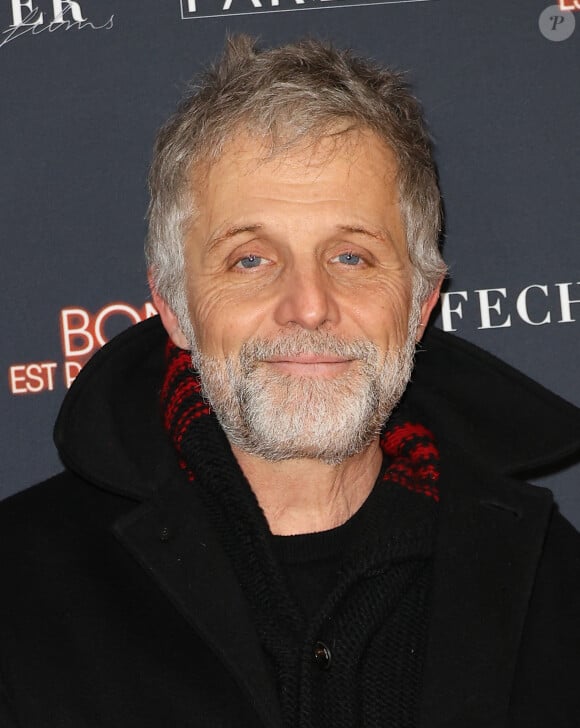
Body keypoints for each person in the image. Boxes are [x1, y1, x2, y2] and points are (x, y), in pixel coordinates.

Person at [1, 35, 579, 728]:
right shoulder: (19, 590)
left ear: (422, 303)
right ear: (175, 307)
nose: (308, 305)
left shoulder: (552, 586)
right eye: (250, 260)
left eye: (351, 256)